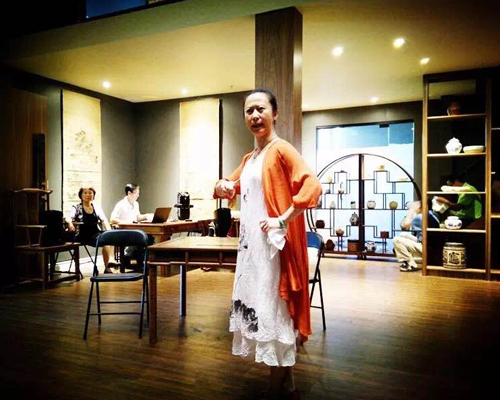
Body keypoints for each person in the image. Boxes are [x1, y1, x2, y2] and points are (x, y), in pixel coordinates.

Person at [214, 89, 322, 400]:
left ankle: (277, 392)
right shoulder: (251, 157)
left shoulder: (281, 149)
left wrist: (283, 219)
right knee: (267, 313)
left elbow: (312, 186)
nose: (254, 116)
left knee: (276, 315)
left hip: (274, 250)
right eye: (249, 111)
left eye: (260, 109)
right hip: (252, 250)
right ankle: (288, 388)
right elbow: (229, 186)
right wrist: (224, 185)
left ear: (275, 113)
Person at [65, 187, 118, 274]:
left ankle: (108, 265)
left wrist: (109, 231)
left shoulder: (96, 207)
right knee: (105, 240)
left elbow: (104, 219)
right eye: (85, 193)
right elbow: (67, 218)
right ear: (81, 195)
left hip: (95, 234)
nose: (88, 195)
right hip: (82, 235)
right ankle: (109, 263)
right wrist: (70, 223)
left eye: (90, 193)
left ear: (93, 196)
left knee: (109, 237)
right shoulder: (76, 207)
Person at [393, 200, 440, 272]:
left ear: (421, 207)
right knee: (403, 235)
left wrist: (410, 212)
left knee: (396, 240)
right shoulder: (432, 214)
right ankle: (410, 262)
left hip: (426, 248)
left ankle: (409, 264)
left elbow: (404, 226)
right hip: (431, 246)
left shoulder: (420, 217)